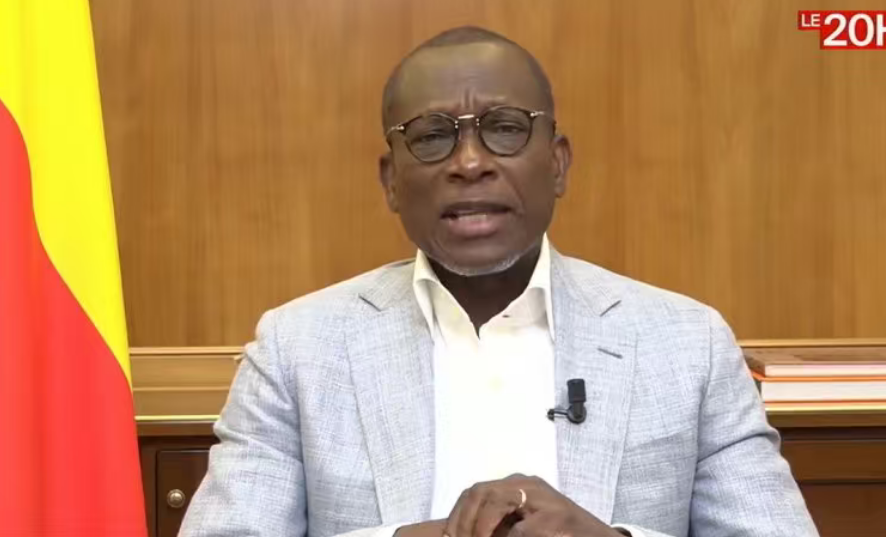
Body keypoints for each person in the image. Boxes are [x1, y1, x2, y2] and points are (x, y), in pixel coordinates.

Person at [180, 26, 818, 537]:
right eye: (432, 136)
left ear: (558, 164)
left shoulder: (687, 344)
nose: (469, 162)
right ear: (391, 182)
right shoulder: (298, 349)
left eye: (506, 128)